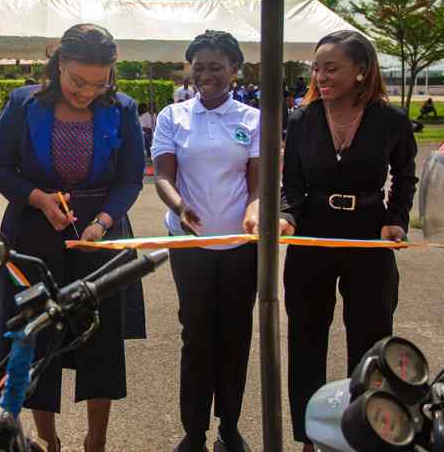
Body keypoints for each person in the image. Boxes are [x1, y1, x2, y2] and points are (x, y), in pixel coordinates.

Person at [0, 23, 146, 452]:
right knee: (35, 336)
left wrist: (105, 221)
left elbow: (131, 178)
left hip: (100, 234)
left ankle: (97, 439)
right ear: (58, 64)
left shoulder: (123, 109)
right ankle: (47, 439)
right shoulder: (23, 103)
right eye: (78, 81)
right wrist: (38, 198)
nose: (87, 92)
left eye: (99, 83)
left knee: (102, 337)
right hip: (33, 232)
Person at [272, 30, 418, 452]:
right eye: (316, 68)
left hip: (369, 236)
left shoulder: (391, 120)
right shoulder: (301, 120)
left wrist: (396, 220)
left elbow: (405, 175)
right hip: (312, 235)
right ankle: (309, 438)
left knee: (371, 344)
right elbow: (291, 183)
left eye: (331, 68)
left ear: (361, 71)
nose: (320, 76)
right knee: (306, 340)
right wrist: (286, 216)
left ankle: (366, 435)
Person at [151, 30, 259, 452]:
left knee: (235, 335)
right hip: (189, 245)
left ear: (235, 70)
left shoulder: (253, 119)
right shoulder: (172, 116)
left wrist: (254, 210)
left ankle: (229, 427)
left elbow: (257, 184)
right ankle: (193, 431)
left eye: (216, 67)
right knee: (196, 336)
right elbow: (163, 175)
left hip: (240, 246)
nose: (206, 75)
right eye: (199, 68)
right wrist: (180, 207)